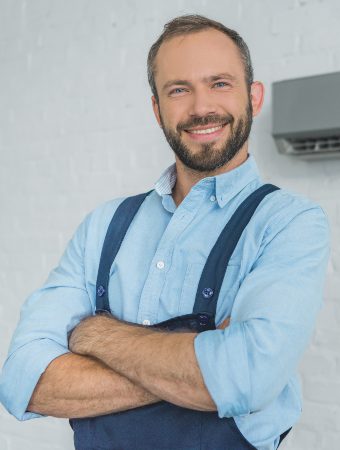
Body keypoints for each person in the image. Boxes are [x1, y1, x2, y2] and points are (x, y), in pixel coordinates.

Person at [0, 14, 330, 450]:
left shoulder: (289, 223)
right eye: (179, 89)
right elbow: (25, 381)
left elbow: (249, 377)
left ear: (253, 96)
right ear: (157, 109)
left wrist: (95, 335)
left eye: (219, 83)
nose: (200, 108)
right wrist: (204, 360)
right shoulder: (104, 225)